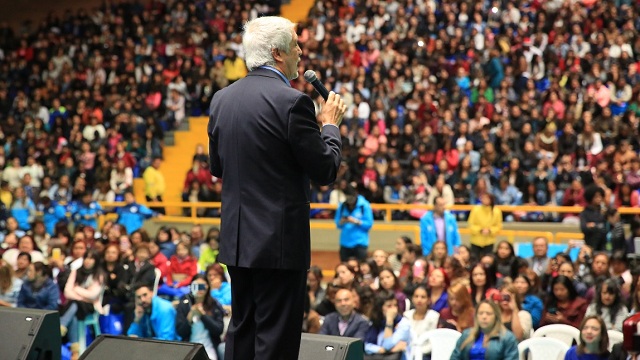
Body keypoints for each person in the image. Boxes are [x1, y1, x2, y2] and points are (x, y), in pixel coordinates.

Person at [207, 16, 345, 360]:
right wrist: (330, 126)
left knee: (242, 330)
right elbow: (326, 168)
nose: (300, 51)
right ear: (278, 53)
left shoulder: (221, 99)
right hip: (279, 245)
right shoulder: (293, 103)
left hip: (238, 243)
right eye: (296, 44)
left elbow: (217, 167)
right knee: (275, 340)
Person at [176, 274, 225, 360]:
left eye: (202, 285)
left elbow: (218, 330)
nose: (199, 289)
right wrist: (190, 318)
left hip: (209, 349)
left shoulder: (214, 304)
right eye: (196, 286)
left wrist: (202, 315)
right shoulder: (184, 304)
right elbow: (180, 332)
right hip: (189, 349)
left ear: (207, 287)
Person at [450, 300, 519, 360]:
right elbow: (455, 357)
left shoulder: (508, 338)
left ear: (496, 316)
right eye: (480, 313)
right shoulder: (466, 334)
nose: (484, 317)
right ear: (476, 316)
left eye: (488, 314)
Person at [363, 291, 411, 359]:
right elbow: (367, 346)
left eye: (395, 305)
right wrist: (383, 350)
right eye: (389, 306)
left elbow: (387, 345)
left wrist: (389, 322)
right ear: (380, 308)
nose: (394, 309)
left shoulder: (404, 324)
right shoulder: (375, 322)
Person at [335, 184, 374, 262]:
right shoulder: (342, 206)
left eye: (351, 198)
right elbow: (338, 224)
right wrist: (342, 221)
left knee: (361, 267)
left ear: (355, 195)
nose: (349, 200)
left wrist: (356, 221)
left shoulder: (364, 205)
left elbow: (369, 224)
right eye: (347, 198)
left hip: (360, 243)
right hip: (345, 242)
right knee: (345, 267)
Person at [404, 285, 441, 360]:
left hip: (426, 353)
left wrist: (418, 352)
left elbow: (432, 341)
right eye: (416, 296)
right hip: (407, 352)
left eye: (423, 297)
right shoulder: (407, 315)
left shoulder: (434, 316)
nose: (419, 300)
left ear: (428, 300)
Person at [468, 193, 503, 258]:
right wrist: (480, 230)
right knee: (474, 260)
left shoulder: (497, 211)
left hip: (489, 241)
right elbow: (470, 224)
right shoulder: (475, 209)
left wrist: (490, 230)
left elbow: (498, 226)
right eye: (483, 198)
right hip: (476, 240)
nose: (485, 200)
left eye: (487, 198)